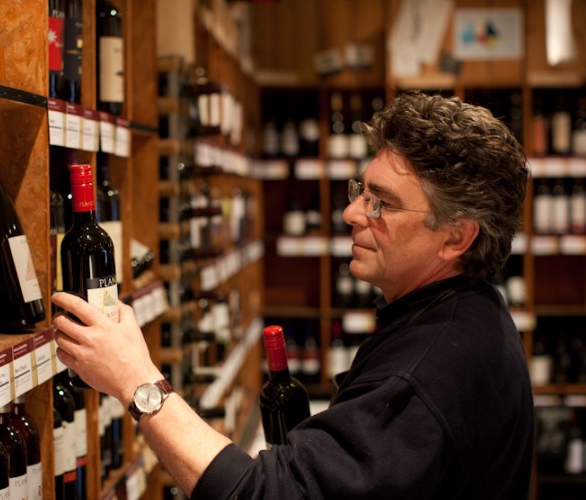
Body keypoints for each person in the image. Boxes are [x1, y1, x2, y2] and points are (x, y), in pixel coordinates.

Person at [52, 91, 534, 499]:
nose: (351, 214)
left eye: (380, 204)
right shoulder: (461, 315)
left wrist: (136, 381)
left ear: (455, 237)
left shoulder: (430, 369)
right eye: (360, 192)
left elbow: (263, 494)